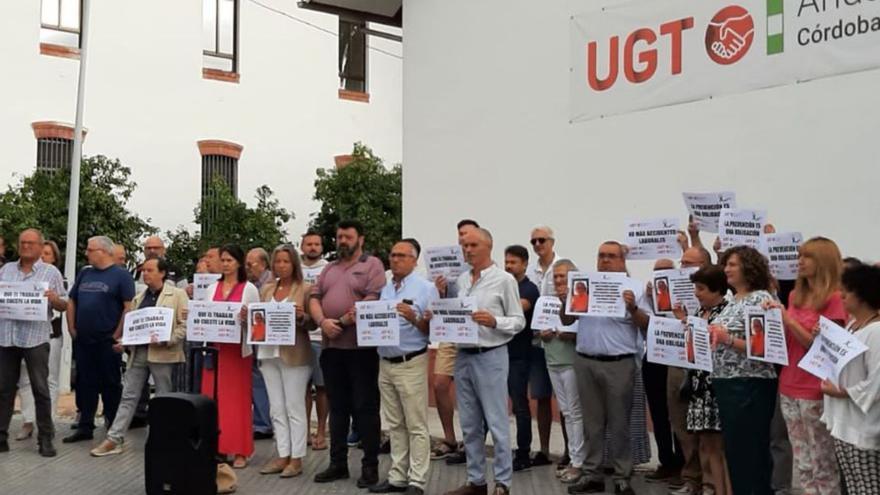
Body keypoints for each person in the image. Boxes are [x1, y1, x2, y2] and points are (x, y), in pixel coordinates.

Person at [433, 228, 525, 495]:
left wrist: (495, 320)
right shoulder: (461, 280)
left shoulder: (504, 280)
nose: (468, 250)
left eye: (473, 245)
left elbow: (519, 321)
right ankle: (476, 481)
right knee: (470, 424)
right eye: (464, 246)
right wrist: (441, 298)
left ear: (489, 246)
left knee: (496, 422)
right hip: (463, 355)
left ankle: (503, 483)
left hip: (491, 355)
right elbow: (453, 315)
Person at [563, 241, 651, 495]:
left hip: (619, 364)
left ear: (623, 260)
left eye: (611, 256)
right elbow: (566, 319)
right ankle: (593, 474)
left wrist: (633, 307)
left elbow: (646, 324)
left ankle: (622, 476)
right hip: (586, 360)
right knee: (592, 424)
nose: (605, 260)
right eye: (601, 256)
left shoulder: (633, 287)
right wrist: (564, 301)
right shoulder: (585, 285)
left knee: (620, 423)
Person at [765, 237, 846, 495]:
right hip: (789, 383)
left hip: (816, 386)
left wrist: (787, 319)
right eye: (799, 256)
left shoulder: (835, 298)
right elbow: (790, 339)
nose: (800, 261)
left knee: (822, 460)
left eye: (807, 257)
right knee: (803, 461)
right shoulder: (794, 296)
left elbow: (821, 348)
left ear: (823, 261)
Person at [310, 220, 386, 487]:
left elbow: (372, 299)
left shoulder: (372, 265)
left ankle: (370, 466)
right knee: (338, 409)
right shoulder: (329, 268)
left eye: (348, 237)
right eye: (339, 236)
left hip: (360, 350)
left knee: (365, 409)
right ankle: (337, 463)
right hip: (331, 349)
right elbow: (314, 297)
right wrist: (323, 323)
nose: (342, 241)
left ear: (360, 239)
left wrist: (340, 322)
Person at [89, 257, 189, 456]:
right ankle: (114, 438)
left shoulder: (177, 295)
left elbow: (184, 325)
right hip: (139, 352)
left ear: (162, 273)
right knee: (128, 395)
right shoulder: (138, 298)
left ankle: (163, 438)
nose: (146, 274)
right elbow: (134, 327)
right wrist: (124, 342)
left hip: (163, 354)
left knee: (163, 397)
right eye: (144, 270)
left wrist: (167, 339)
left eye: (150, 270)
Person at [707, 246, 778, 495]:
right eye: (726, 264)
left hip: (750, 383)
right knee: (736, 451)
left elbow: (765, 348)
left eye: (733, 264)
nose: (726, 269)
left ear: (749, 267)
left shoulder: (761, 299)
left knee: (750, 451)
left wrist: (727, 339)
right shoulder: (732, 301)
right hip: (726, 381)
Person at [368, 239, 438, 495]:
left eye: (401, 256)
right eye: (392, 255)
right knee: (395, 424)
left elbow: (432, 330)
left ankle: (417, 480)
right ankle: (397, 476)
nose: (394, 259)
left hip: (411, 361)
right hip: (385, 362)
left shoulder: (426, 289)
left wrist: (414, 317)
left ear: (414, 260)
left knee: (416, 423)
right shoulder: (386, 288)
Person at [0, 229, 67, 457]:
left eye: (30, 243)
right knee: (4, 389)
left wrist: (54, 299)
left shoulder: (51, 272)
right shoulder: (6, 269)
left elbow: (64, 305)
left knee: (41, 389)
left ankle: (45, 438)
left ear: (40, 247)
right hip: (7, 337)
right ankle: (1, 437)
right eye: (22, 243)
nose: (26, 246)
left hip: (36, 338)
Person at [64, 236, 135, 443]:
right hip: (83, 339)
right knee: (86, 383)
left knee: (110, 384)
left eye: (90, 249)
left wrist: (116, 334)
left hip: (107, 340)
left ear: (103, 251)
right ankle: (85, 426)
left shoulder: (121, 276)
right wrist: (71, 327)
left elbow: (128, 307)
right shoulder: (85, 273)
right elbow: (71, 300)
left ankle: (113, 426)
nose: (86, 253)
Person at [820, 263, 880, 495]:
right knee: (855, 487)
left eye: (848, 291)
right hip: (846, 423)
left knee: (869, 488)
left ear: (864, 294)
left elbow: (876, 381)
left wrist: (842, 391)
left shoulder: (876, 332)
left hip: (864, 428)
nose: (841, 296)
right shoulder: (855, 325)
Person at [673, 265, 733, 495]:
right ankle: (714, 487)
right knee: (706, 444)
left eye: (701, 288)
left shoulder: (725, 312)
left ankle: (725, 489)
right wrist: (684, 322)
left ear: (717, 289)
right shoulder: (698, 313)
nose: (696, 293)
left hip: (715, 387)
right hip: (698, 387)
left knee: (719, 445)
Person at [256, 244, 315, 479]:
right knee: (276, 408)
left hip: (295, 354)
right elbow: (257, 320)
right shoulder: (267, 290)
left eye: (286, 261)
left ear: (294, 264)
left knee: (294, 407)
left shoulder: (306, 289)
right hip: (268, 353)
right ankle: (282, 453)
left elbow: (313, 323)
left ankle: (297, 457)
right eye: (278, 261)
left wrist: (302, 317)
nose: (281, 265)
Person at [203, 244, 261, 468]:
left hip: (237, 352)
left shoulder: (249, 289)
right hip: (215, 349)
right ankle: (217, 446)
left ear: (238, 262)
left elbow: (258, 323)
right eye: (223, 260)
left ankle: (240, 450)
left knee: (237, 401)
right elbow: (205, 315)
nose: (226, 264)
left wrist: (248, 318)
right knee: (213, 398)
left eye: (230, 260)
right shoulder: (211, 288)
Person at [430, 219, 480, 464]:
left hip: (473, 332)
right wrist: (439, 290)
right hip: (450, 330)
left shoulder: (483, 265)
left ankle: (471, 443)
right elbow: (442, 299)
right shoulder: (447, 262)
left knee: (471, 391)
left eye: (468, 235)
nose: (463, 239)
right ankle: (449, 438)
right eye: (460, 234)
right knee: (439, 383)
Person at [15, 240, 65, 441]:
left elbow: (64, 305)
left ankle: (47, 421)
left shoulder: (58, 279)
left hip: (49, 336)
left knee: (48, 381)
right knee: (25, 380)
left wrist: (52, 299)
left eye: (47, 254)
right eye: (41, 253)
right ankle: (28, 421)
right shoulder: (21, 277)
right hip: (22, 336)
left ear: (54, 258)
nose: (43, 257)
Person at [542, 259, 587, 483]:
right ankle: (574, 458)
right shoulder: (548, 302)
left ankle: (579, 462)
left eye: (563, 276)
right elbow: (537, 330)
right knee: (567, 413)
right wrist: (541, 334)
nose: (559, 280)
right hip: (553, 361)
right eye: (556, 276)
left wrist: (571, 335)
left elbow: (587, 330)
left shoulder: (581, 299)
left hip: (572, 362)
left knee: (576, 413)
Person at [643, 259, 685, 488]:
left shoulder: (684, 296)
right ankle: (665, 461)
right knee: (658, 414)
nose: (662, 275)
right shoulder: (647, 295)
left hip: (676, 358)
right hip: (653, 357)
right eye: (658, 271)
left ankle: (682, 463)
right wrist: (649, 299)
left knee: (677, 413)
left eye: (666, 271)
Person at [503, 245, 541, 472]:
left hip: (518, 356)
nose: (508, 266)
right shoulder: (502, 285)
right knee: (492, 404)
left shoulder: (529, 289)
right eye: (506, 262)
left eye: (513, 262)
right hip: (497, 353)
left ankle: (523, 452)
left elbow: (517, 309)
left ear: (525, 264)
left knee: (519, 405)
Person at [524, 227, 558, 468]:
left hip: (559, 341)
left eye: (542, 240)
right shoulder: (531, 272)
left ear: (552, 241)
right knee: (542, 397)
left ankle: (570, 453)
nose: (537, 244)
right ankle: (544, 450)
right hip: (536, 343)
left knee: (567, 402)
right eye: (534, 241)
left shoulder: (564, 266)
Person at [300, 231, 329, 451]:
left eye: (316, 244)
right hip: (298, 337)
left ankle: (321, 431)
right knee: (302, 387)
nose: (312, 247)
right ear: (302, 246)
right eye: (308, 244)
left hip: (320, 336)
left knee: (322, 387)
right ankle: (303, 431)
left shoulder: (328, 269)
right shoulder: (294, 269)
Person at [246, 247, 274, 440]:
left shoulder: (271, 284)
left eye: (250, 264)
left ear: (263, 264)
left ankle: (264, 423)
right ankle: (260, 421)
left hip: (269, 340)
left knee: (263, 379)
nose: (247, 267)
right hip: (254, 337)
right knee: (257, 379)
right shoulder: (251, 284)